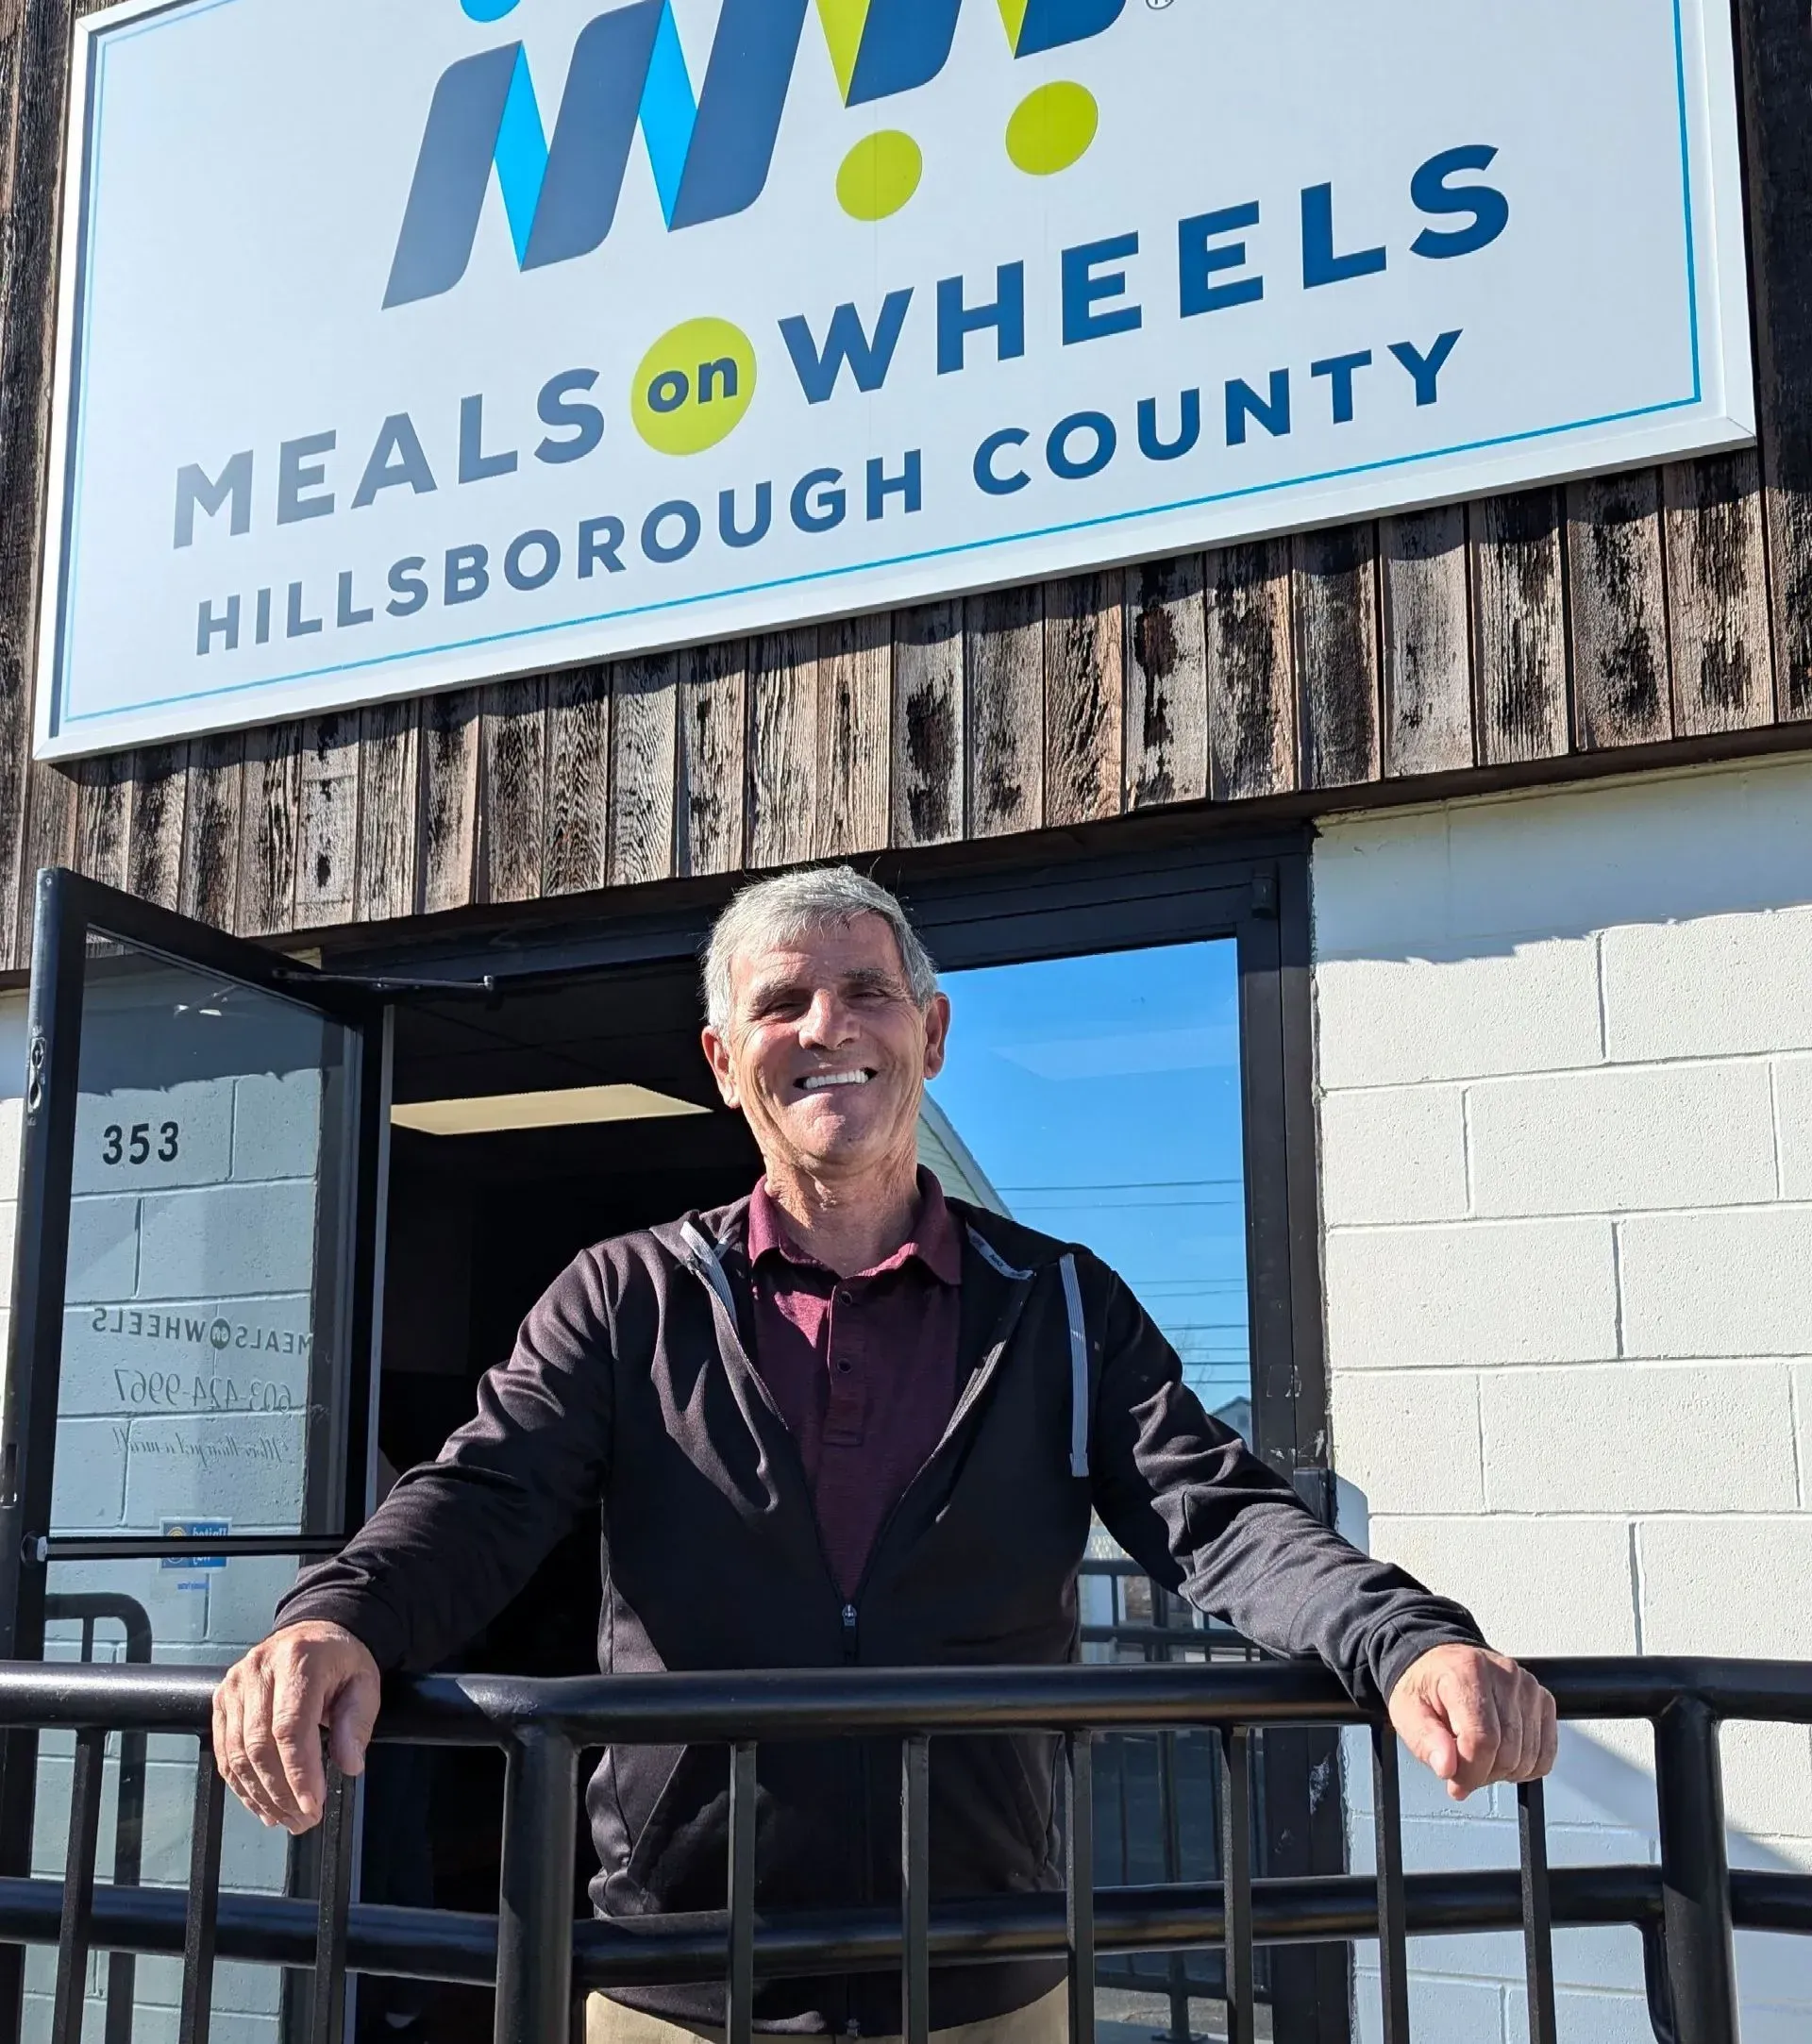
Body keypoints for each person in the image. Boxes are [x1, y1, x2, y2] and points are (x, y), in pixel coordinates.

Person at [214, 866, 1557, 2044]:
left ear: (933, 1030)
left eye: (866, 991)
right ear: (723, 1057)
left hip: (988, 1980)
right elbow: (480, 1494)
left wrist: (1407, 1639)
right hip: (677, 1977)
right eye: (782, 1004)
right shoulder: (624, 1297)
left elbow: (1217, 1511)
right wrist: (338, 1618)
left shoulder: (1062, 1303)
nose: (826, 1030)